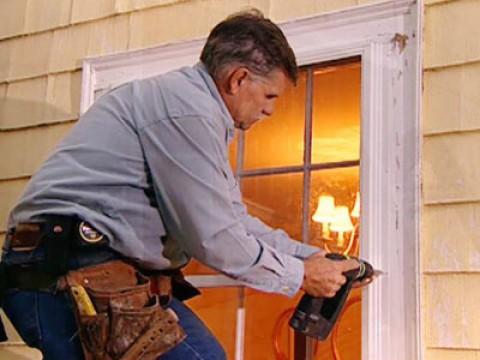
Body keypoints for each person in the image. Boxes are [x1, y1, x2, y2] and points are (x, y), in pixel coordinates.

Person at [0, 9, 361, 360]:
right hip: (60, 270)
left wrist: (311, 257)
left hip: (88, 266)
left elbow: (235, 222)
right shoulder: (186, 111)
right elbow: (214, 238)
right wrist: (301, 275)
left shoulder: (195, 113)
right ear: (238, 79)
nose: (270, 111)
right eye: (270, 96)